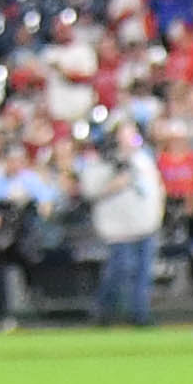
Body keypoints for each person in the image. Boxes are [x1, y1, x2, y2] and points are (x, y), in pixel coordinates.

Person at [82, 111, 164, 327]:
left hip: (145, 225)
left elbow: (154, 188)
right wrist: (116, 181)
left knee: (143, 275)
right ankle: (104, 313)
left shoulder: (143, 159)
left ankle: (140, 315)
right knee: (119, 272)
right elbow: (90, 190)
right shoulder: (101, 161)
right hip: (119, 228)